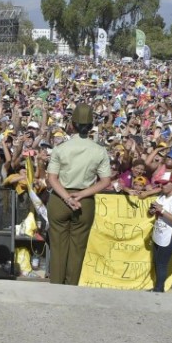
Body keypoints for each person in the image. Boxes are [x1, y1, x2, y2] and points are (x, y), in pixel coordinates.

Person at [46, 103, 113, 285]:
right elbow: (105, 181)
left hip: (60, 198)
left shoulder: (61, 148)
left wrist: (67, 197)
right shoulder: (99, 150)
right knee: (78, 247)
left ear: (72, 125)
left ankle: (56, 286)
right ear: (91, 126)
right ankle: (71, 287)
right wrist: (81, 195)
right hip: (85, 201)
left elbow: (52, 178)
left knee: (58, 246)